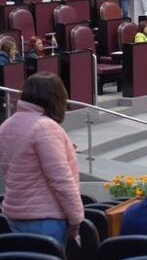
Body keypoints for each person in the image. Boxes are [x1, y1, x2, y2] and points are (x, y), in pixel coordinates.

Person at [0, 73, 85, 248]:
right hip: (46, 221)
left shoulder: (7, 125)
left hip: (14, 217)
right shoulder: (45, 128)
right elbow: (60, 179)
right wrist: (76, 217)